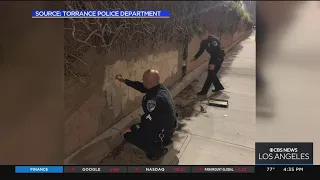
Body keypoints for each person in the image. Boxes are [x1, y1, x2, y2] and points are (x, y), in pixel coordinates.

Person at [114, 69, 177, 160]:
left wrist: (133, 128)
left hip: (163, 129)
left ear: (149, 82)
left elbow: (151, 122)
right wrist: (124, 80)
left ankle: (157, 150)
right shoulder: (160, 88)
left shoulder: (153, 101)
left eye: (143, 80)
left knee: (127, 134)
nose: (142, 81)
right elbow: (141, 87)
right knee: (138, 126)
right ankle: (163, 141)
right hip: (168, 124)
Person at [191, 31, 225, 95]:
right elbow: (201, 50)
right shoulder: (203, 42)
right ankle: (218, 87)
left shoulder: (213, 41)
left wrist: (214, 63)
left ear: (206, 34)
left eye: (202, 36)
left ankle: (205, 91)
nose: (201, 38)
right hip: (213, 58)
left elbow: (218, 51)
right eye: (200, 37)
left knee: (211, 74)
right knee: (211, 74)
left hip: (218, 58)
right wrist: (195, 57)